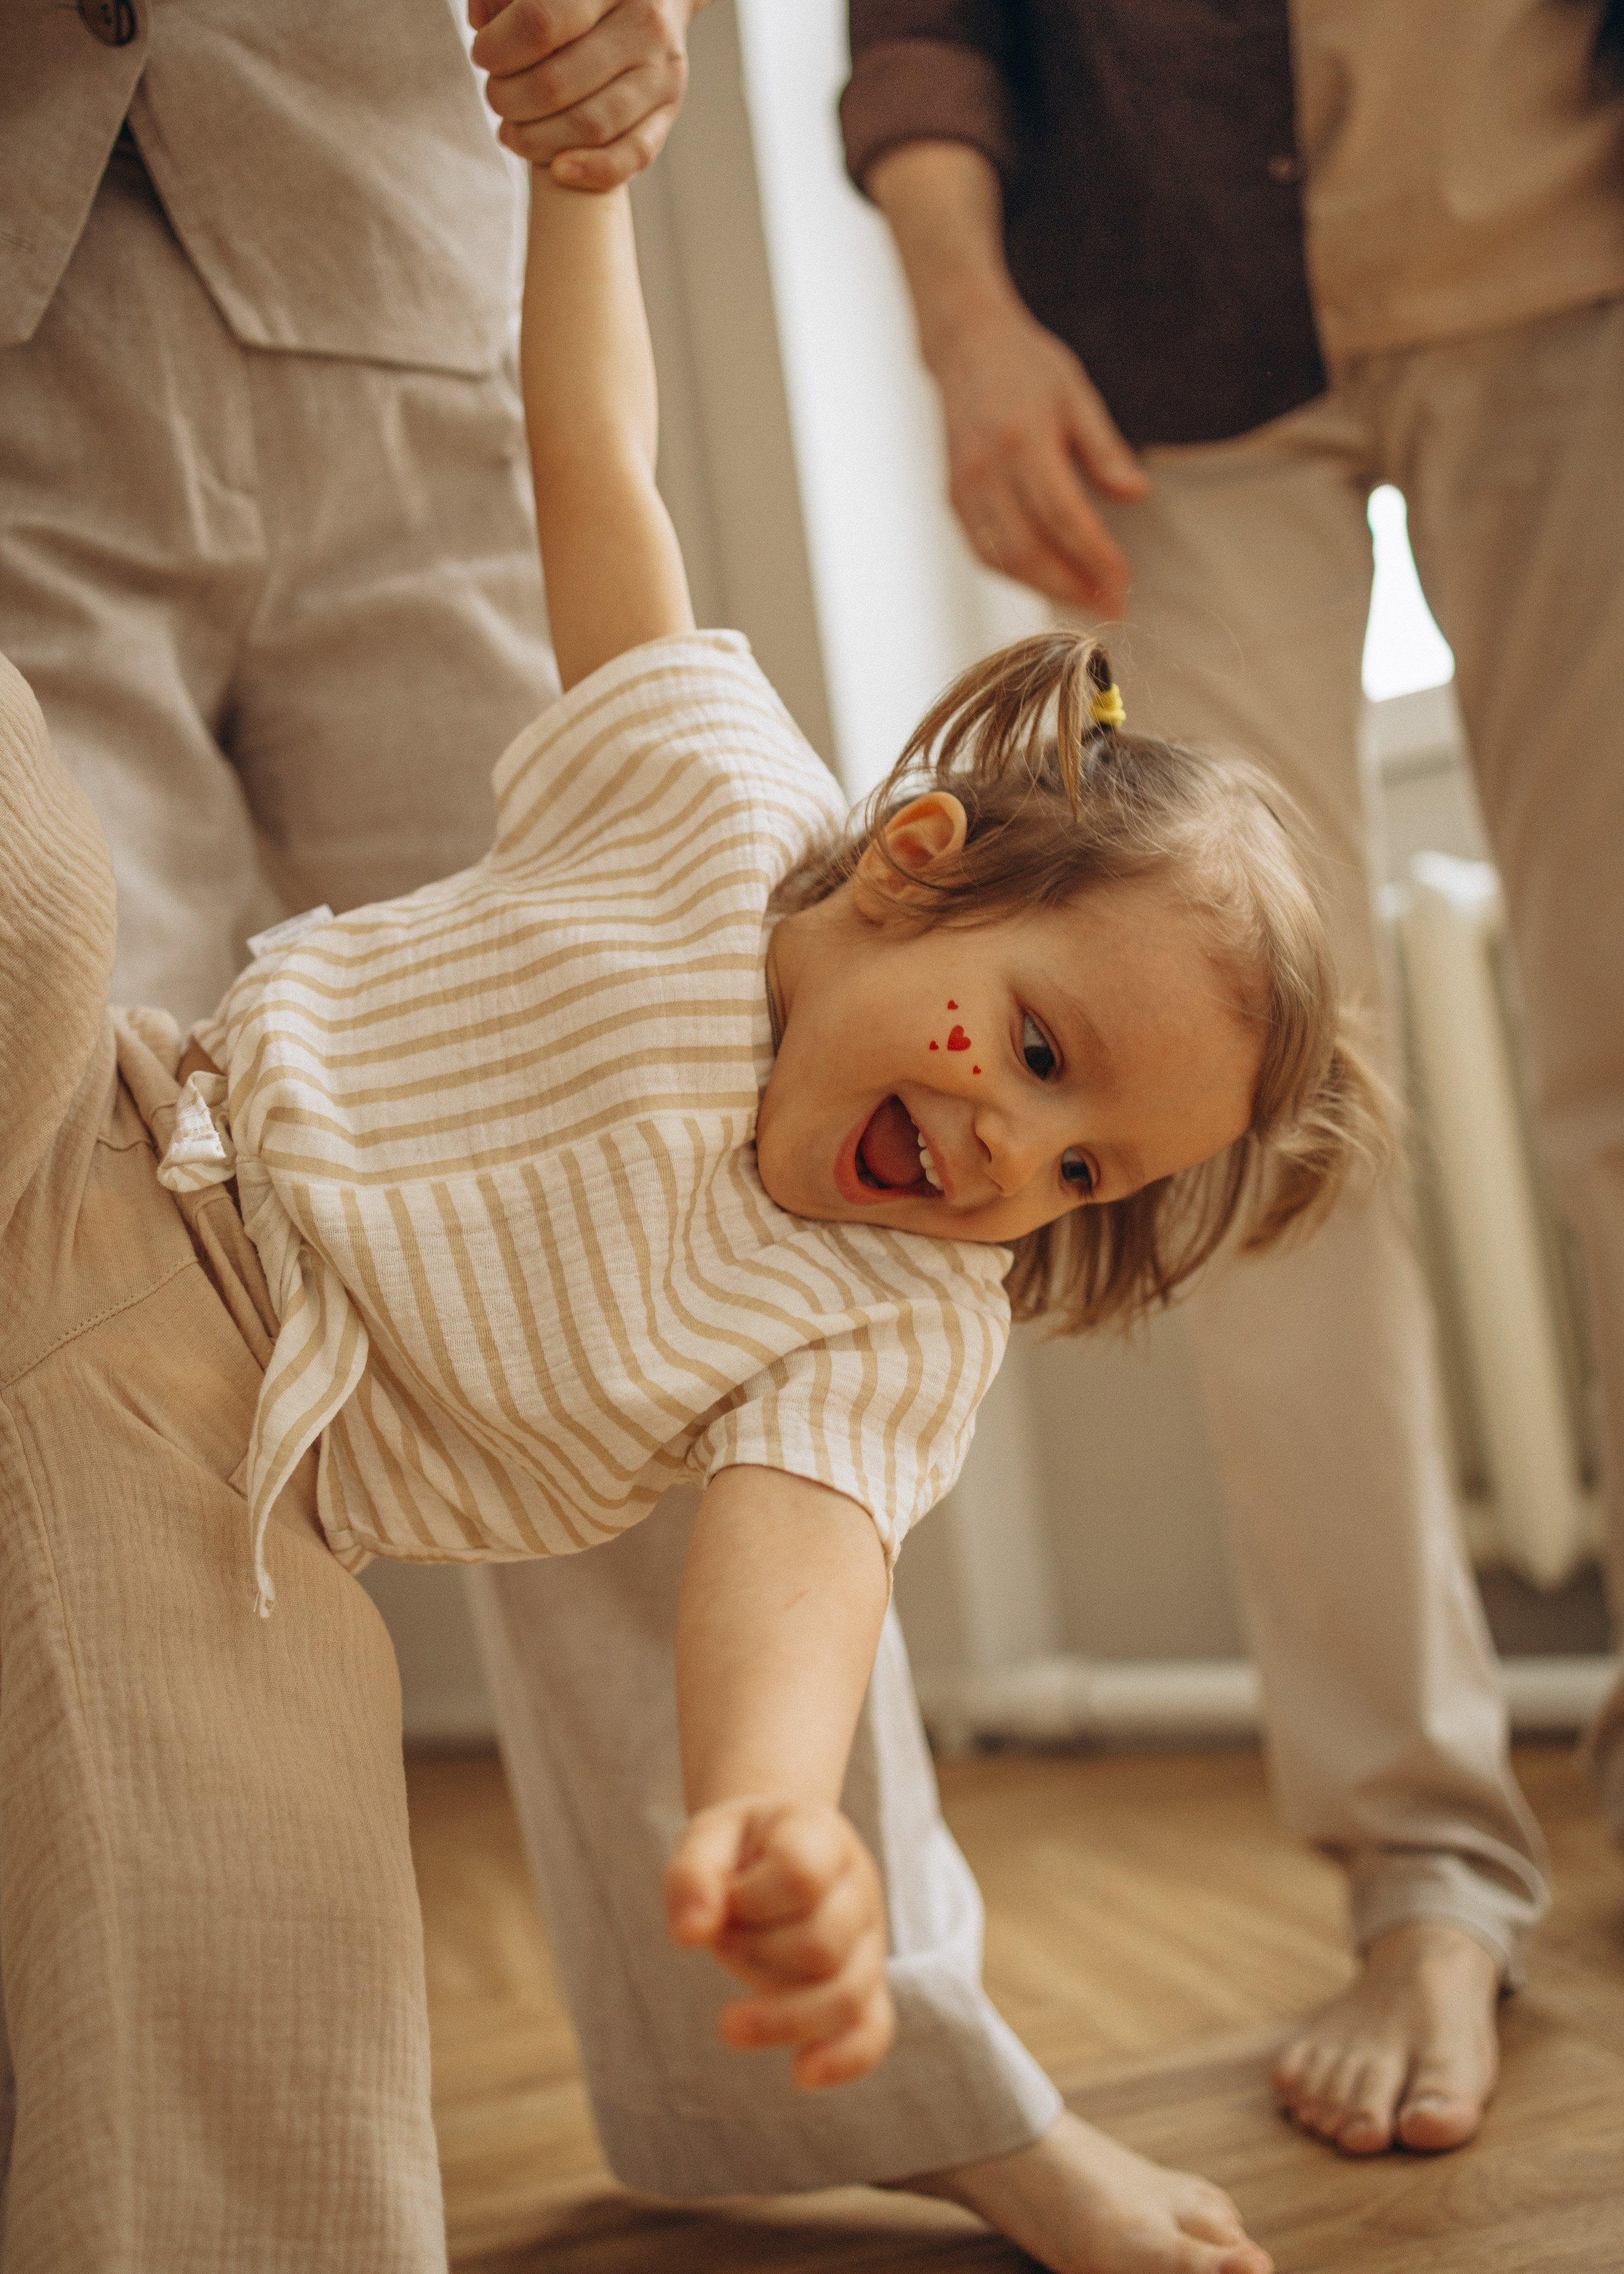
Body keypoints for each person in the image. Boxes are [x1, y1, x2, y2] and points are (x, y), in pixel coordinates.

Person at [0, 110, 1393, 2264]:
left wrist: (763, 1818)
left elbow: (799, 1575)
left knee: (276, 2012)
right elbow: (596, 460)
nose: (1017, 1153)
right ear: (919, 868)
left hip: (211, 1477)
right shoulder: (711, 805)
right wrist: (583, 183)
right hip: (85, 1126)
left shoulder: (889, 1326)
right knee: (24, 879)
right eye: (1035, 1052)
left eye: (1087, 1163)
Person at [841, 0, 1624, 2162]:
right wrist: (964, 319)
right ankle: (1426, 1878)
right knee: (1244, 1139)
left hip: (1580, 255)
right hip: (1163, 341)